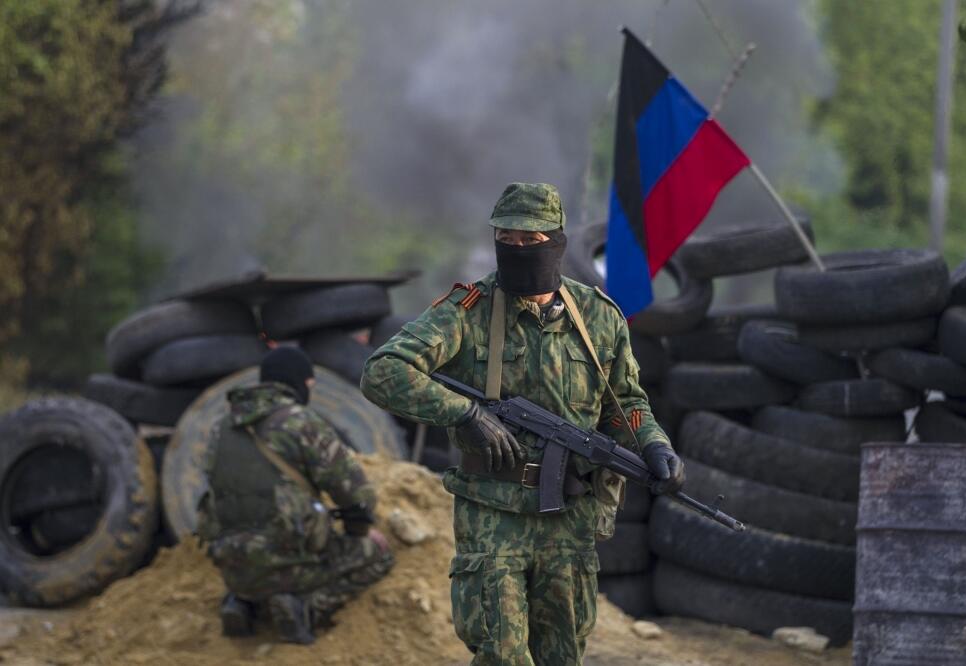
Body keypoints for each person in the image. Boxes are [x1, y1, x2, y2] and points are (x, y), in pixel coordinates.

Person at [360, 182, 684, 664]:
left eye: (529, 241)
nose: (516, 248)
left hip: (569, 518)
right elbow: (383, 371)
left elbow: (626, 404)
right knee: (502, 655)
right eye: (506, 239)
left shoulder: (598, 317)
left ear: (555, 241)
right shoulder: (465, 314)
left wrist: (654, 445)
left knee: (562, 654)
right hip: (493, 514)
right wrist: (463, 413)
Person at [197, 346, 393, 645]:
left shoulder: (220, 429)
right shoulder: (300, 422)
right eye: (310, 386)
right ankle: (305, 607)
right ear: (299, 382)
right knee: (379, 554)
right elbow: (356, 495)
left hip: (233, 566)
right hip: (293, 565)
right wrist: (359, 533)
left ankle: (243, 603)